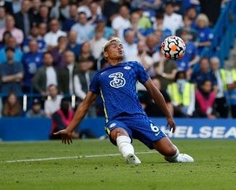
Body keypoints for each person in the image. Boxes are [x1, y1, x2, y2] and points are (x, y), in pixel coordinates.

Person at [54, 37, 194, 164]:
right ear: (106, 54)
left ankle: (176, 157)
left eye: (121, 45)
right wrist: (70, 128)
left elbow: (153, 91)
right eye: (114, 46)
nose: (119, 47)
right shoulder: (100, 76)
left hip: (139, 117)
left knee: (169, 151)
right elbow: (85, 104)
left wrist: (168, 115)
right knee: (120, 133)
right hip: (117, 119)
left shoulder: (134, 66)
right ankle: (129, 154)